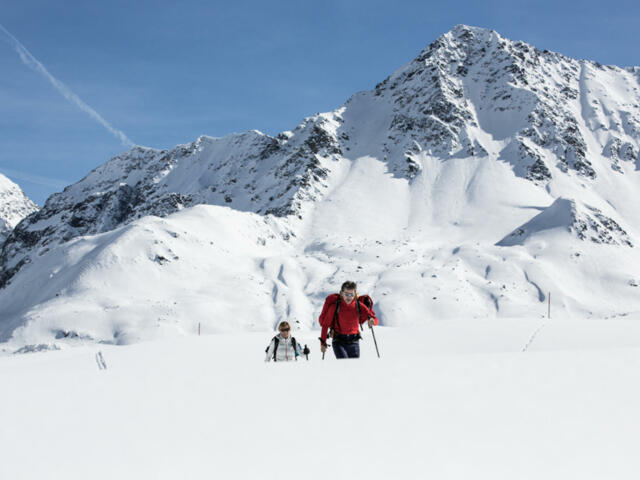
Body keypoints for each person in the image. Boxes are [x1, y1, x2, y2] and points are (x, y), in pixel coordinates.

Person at [318, 281, 378, 359]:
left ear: (355, 294)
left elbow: (374, 318)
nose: (348, 297)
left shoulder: (359, 306)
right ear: (341, 293)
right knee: (344, 366)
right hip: (338, 341)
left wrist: (373, 322)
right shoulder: (335, 307)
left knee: (354, 369)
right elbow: (325, 325)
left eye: (351, 295)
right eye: (346, 294)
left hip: (354, 342)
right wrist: (323, 343)